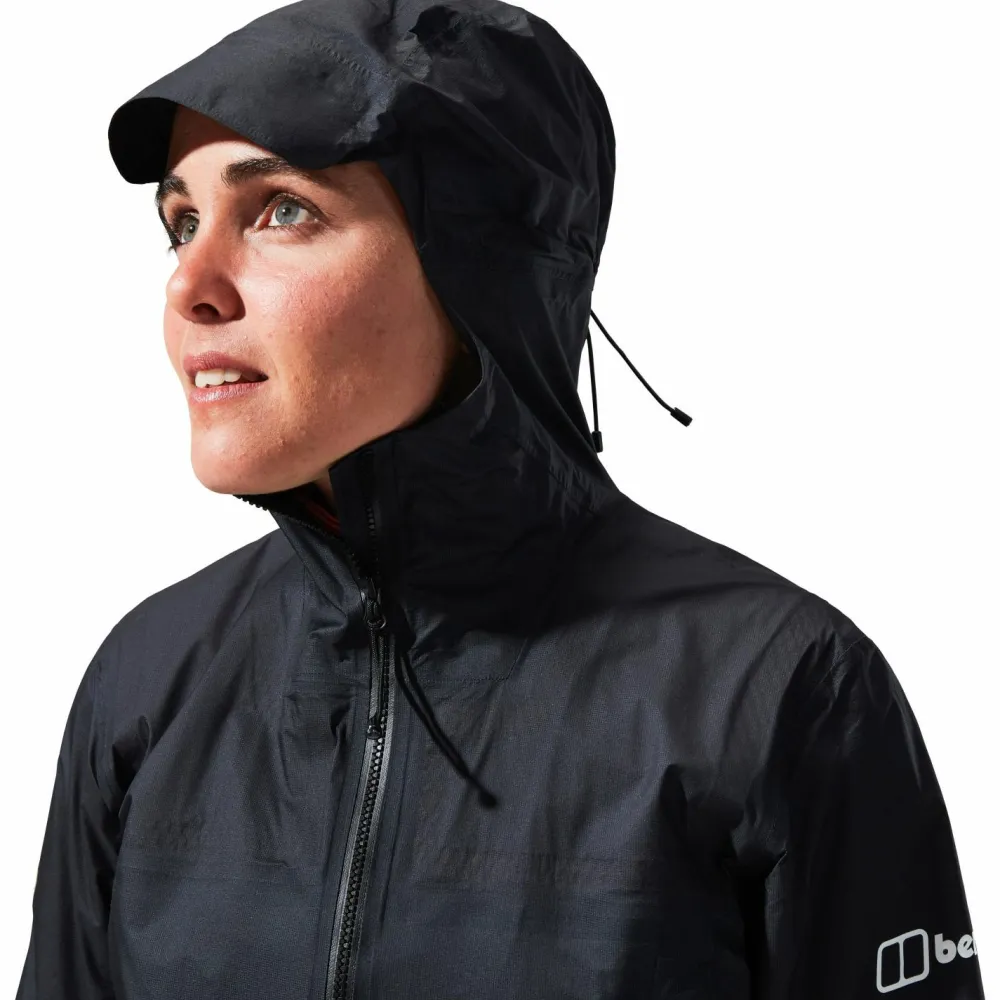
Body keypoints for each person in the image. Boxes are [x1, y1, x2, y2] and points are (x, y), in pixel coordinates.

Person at [16, 1, 985, 998]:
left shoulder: (778, 689)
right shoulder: (149, 682)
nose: (190, 287)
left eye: (282, 211)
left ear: (480, 263)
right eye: (181, 224)